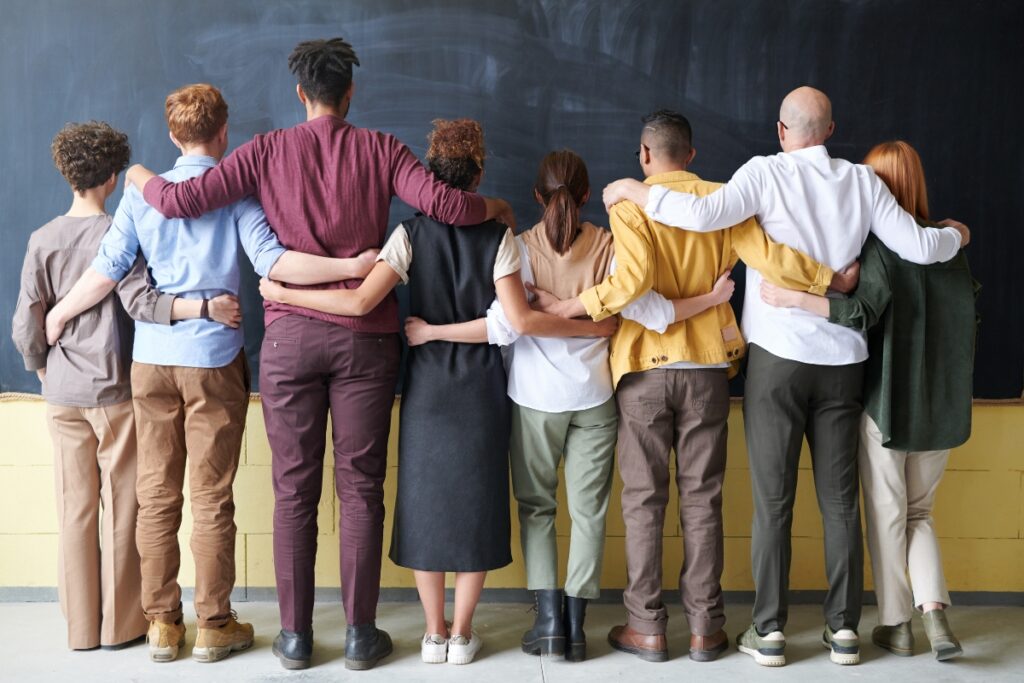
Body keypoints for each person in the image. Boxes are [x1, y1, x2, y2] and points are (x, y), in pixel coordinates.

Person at [125, 39, 515, 671]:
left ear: (300, 94)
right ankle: (361, 636)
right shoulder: (383, 150)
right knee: (362, 490)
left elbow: (180, 201)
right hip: (366, 343)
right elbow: (445, 205)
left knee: (293, 491)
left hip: (289, 340)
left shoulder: (264, 151)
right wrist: (495, 207)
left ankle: (295, 639)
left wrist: (140, 173)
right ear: (350, 92)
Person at [601, 87, 968, 667]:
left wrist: (630, 190)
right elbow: (922, 248)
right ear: (829, 130)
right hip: (845, 361)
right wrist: (957, 235)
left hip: (776, 358)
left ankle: (768, 631)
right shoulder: (862, 182)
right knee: (840, 501)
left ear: (781, 130)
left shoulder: (763, 174)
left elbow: (697, 213)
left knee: (773, 502)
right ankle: (843, 630)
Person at [260, 119, 615, 666]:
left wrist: (284, 292)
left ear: (429, 176)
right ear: (478, 174)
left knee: (424, 504)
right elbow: (514, 319)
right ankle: (462, 633)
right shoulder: (499, 236)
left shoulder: (408, 235)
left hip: (425, 386)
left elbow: (358, 305)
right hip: (480, 386)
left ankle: (432, 633)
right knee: (475, 504)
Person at [44, 85, 377, 664]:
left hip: (150, 358)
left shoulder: (141, 198)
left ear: (174, 135)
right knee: (211, 496)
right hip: (214, 359)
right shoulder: (239, 195)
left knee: (155, 494)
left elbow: (106, 272)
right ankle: (214, 623)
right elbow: (274, 261)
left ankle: (162, 626)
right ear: (225, 133)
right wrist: (351, 268)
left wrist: (59, 312)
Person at [527, 110, 851, 664]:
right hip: (706, 368)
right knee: (704, 500)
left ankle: (647, 628)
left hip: (644, 370)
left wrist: (569, 307)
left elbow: (629, 284)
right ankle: (706, 629)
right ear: (692, 155)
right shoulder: (723, 199)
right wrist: (828, 280)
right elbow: (768, 258)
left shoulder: (629, 205)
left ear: (645, 155)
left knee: (643, 502)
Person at [11, 121, 237, 652]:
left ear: (67, 174)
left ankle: (81, 628)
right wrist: (198, 309)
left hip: (62, 392)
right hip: (114, 390)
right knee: (126, 506)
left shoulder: (41, 238)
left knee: (74, 508)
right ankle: (122, 626)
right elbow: (141, 301)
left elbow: (28, 320)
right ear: (113, 178)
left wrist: (41, 365)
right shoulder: (122, 229)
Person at [760, 140, 976, 662]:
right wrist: (959, 231)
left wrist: (796, 298)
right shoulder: (950, 249)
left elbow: (861, 313)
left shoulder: (880, 251)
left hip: (886, 407)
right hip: (942, 411)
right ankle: (935, 613)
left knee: (887, 516)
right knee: (921, 513)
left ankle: (899, 625)